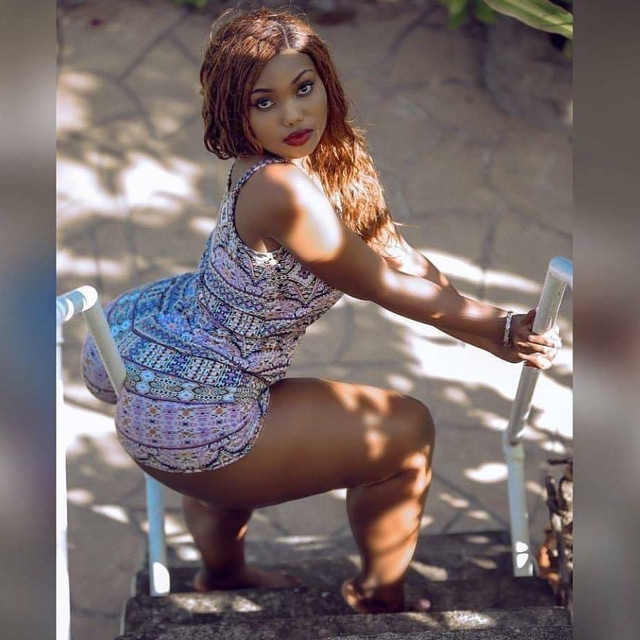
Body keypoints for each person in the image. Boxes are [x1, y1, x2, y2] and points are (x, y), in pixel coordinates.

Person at [81, 7, 562, 614]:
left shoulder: (318, 161)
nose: (293, 115)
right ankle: (378, 600)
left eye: (303, 89)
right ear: (235, 110)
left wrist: (491, 333)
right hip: (195, 410)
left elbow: (396, 254)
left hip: (158, 357)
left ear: (324, 82)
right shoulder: (281, 189)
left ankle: (222, 578)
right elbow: (379, 283)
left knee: (220, 483)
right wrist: (498, 326)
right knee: (407, 436)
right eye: (264, 102)